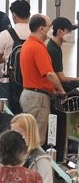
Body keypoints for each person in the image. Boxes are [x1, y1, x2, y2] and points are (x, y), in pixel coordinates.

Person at [20, 15, 65, 144]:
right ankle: (33, 164)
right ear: (41, 29)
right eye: (49, 26)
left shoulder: (28, 44)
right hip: (37, 98)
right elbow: (49, 74)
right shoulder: (37, 47)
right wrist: (61, 90)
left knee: (29, 137)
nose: (51, 29)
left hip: (30, 94)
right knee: (36, 140)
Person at [8, 113, 56, 183]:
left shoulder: (41, 159)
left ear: (29, 133)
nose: (13, 137)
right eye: (11, 133)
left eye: (18, 133)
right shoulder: (11, 154)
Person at [0, 0, 32, 92]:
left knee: (9, 106)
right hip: (32, 82)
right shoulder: (36, 33)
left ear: (13, 15)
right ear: (29, 15)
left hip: (10, 82)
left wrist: (9, 58)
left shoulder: (5, 34)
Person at [48, 17, 79, 89]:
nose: (71, 34)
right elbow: (62, 78)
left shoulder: (56, 46)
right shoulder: (53, 50)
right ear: (59, 31)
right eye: (69, 31)